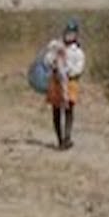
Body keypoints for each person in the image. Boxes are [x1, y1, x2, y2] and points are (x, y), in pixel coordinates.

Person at [43, 19, 86, 150]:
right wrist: (54, 62)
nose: (69, 35)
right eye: (68, 32)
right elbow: (46, 61)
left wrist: (68, 72)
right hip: (56, 81)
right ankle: (60, 139)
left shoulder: (78, 52)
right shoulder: (56, 47)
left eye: (72, 33)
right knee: (56, 111)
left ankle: (67, 137)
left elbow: (79, 68)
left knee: (69, 109)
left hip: (71, 81)